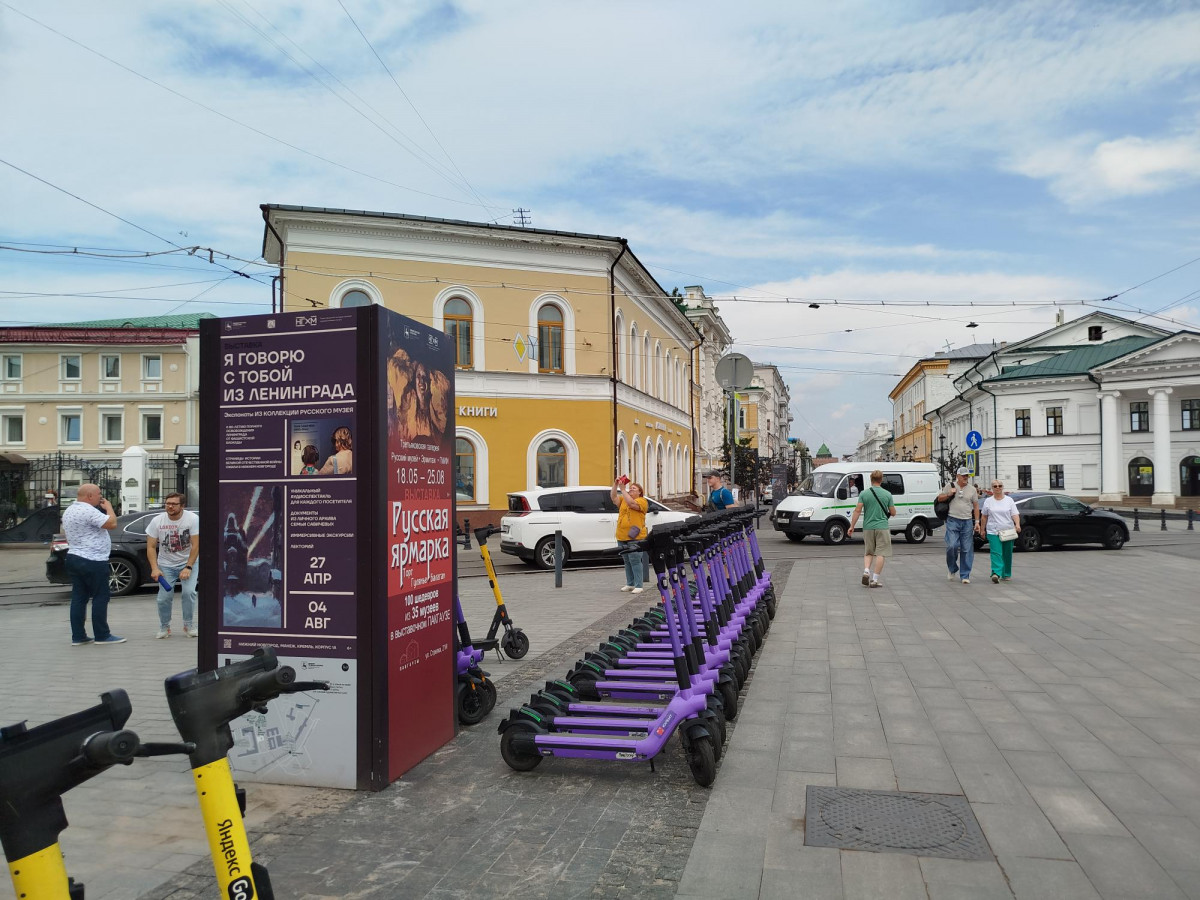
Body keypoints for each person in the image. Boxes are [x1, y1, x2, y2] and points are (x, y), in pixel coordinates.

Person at [61, 484, 124, 645]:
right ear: (89, 496)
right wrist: (109, 507)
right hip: (93, 559)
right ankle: (102, 635)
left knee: (79, 598)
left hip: (74, 556)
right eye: (99, 494)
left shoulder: (69, 510)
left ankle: (78, 636)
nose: (101, 498)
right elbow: (111, 524)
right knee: (100, 596)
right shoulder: (88, 510)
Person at [147, 492, 199, 638]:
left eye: (174, 504)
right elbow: (151, 547)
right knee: (163, 598)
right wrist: (154, 568)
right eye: (167, 503)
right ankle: (164, 627)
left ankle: (188, 625)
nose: (170, 506)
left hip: (188, 561)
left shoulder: (192, 519)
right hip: (165, 564)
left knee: (189, 593)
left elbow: (196, 545)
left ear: (182, 506)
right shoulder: (157, 521)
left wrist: (188, 567)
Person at [846, 469, 897, 588]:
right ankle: (874, 580)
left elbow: (857, 511)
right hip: (882, 527)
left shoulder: (864, 494)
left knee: (869, 552)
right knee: (880, 553)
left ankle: (866, 571)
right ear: (881, 480)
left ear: (871, 479)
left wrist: (851, 526)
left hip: (868, 527)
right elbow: (893, 512)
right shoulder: (887, 494)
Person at [937, 466, 980, 584]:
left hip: (967, 521)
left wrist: (977, 522)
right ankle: (952, 568)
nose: (966, 478)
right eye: (964, 475)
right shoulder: (950, 486)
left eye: (967, 476)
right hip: (952, 520)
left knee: (966, 549)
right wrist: (949, 494)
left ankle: (965, 575)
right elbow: (939, 498)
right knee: (952, 546)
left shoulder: (972, 489)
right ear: (958, 476)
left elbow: (976, 506)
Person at [611, 478, 649, 594]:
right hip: (622, 535)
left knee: (635, 559)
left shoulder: (642, 501)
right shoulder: (623, 500)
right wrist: (616, 484)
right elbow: (613, 498)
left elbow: (632, 504)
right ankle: (630, 583)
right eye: (630, 488)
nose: (631, 490)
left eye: (634, 489)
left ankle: (639, 585)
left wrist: (623, 490)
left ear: (639, 492)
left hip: (635, 536)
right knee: (627, 560)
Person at [980, 480, 1021, 584]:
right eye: (995, 486)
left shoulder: (1009, 500)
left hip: (1008, 530)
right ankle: (996, 573)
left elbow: (1015, 514)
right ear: (992, 488)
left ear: (1003, 487)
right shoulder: (988, 501)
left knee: (1007, 553)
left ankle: (1006, 573)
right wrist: (982, 529)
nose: (997, 488)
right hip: (993, 531)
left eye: (1000, 486)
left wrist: (1017, 525)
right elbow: (984, 516)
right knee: (996, 552)